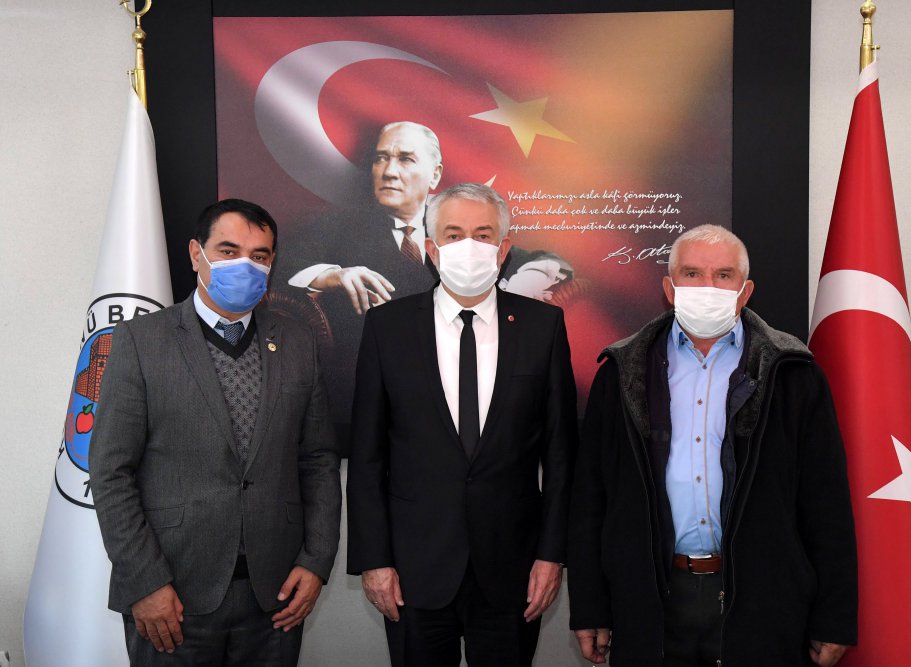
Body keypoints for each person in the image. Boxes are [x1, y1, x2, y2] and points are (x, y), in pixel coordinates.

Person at [568, 225, 857, 666]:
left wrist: (834, 616)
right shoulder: (622, 372)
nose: (708, 287)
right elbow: (591, 498)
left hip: (763, 599)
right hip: (651, 597)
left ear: (745, 291)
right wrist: (590, 605)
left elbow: (826, 502)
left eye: (723, 275)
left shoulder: (793, 373)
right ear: (669, 288)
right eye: (692, 273)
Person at [90, 199, 341, 665]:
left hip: (275, 594)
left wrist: (316, 561)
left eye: (259, 255)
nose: (244, 265)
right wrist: (145, 582)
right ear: (195, 254)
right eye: (228, 251)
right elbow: (110, 472)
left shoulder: (297, 341)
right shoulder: (140, 341)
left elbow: (318, 459)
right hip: (171, 595)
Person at [346, 183, 578, 666]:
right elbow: (367, 457)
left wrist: (551, 555)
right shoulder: (387, 327)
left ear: (504, 249)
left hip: (514, 569)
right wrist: (374, 560)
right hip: (413, 571)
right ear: (432, 249)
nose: (468, 246)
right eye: (453, 235)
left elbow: (560, 456)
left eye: (483, 234)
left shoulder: (543, 327)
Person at [276, 121, 573, 427]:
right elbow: (280, 263)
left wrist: (523, 284)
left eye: (405, 159)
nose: (389, 172)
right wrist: (331, 275)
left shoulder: (455, 224)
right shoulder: (341, 226)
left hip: (465, 396)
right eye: (381, 158)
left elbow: (547, 261)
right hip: (377, 401)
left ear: (435, 175)